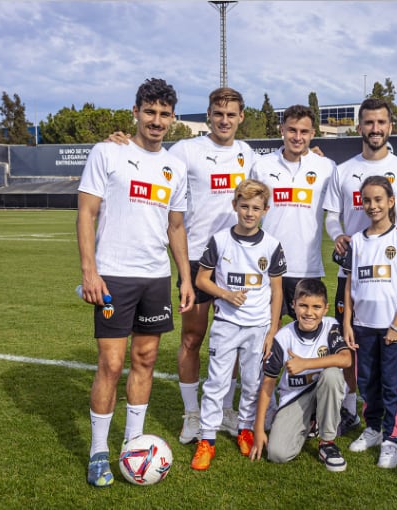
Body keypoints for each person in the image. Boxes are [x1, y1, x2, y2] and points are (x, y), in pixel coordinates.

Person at [104, 87, 259, 444]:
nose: (224, 120)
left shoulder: (247, 154)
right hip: (196, 257)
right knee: (192, 336)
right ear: (208, 115)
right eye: (218, 114)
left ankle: (226, 410)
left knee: (235, 339)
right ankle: (192, 413)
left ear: (240, 118)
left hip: (236, 259)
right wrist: (120, 143)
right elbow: (149, 158)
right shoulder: (185, 151)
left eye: (231, 114)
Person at [77, 78, 193, 488]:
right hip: (114, 277)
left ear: (173, 119)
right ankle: (97, 451)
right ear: (136, 112)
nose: (156, 121)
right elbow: (87, 214)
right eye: (150, 112)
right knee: (110, 364)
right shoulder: (108, 152)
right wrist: (90, 272)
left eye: (164, 114)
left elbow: (176, 225)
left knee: (144, 360)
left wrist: (185, 276)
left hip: (155, 279)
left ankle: (133, 443)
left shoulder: (176, 166)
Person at [323, 97, 397, 438]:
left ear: (390, 127)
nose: (375, 128)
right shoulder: (343, 170)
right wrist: (338, 235)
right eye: (368, 122)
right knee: (354, 343)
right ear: (359, 127)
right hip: (352, 276)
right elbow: (331, 217)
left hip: (391, 280)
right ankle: (352, 411)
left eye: (381, 122)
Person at [188, 179, 286, 471]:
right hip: (226, 324)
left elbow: (277, 291)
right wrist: (225, 294)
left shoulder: (272, 245)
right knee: (217, 382)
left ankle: (245, 428)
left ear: (265, 210)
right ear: (235, 206)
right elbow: (201, 279)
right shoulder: (220, 240)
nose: (249, 213)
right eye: (244, 206)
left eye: (256, 208)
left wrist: (272, 330)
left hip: (258, 328)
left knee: (253, 382)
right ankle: (206, 439)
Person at [334, 175, 397, 469]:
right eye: (366, 200)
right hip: (362, 326)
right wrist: (346, 323)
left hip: (391, 327)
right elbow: (348, 285)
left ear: (391, 202)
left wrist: (396, 325)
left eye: (379, 199)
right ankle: (372, 429)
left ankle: (391, 439)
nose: (372, 206)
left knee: (392, 383)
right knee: (366, 380)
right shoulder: (355, 241)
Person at [248, 280, 352, 472]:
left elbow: (346, 359)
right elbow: (268, 385)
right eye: (303, 305)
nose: (309, 313)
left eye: (316, 307)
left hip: (322, 389)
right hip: (295, 397)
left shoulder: (331, 326)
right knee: (277, 454)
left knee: (332, 375)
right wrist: (259, 428)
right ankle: (310, 422)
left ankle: (327, 442)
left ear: (325, 309)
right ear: (293, 305)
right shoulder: (283, 338)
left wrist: (306, 364)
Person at [250, 105, 336, 320]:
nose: (297, 137)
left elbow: (339, 211)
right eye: (292, 130)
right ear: (282, 129)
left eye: (304, 132)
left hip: (308, 268)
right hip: (269, 267)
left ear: (313, 134)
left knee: (308, 338)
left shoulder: (327, 167)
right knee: (266, 337)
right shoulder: (261, 165)